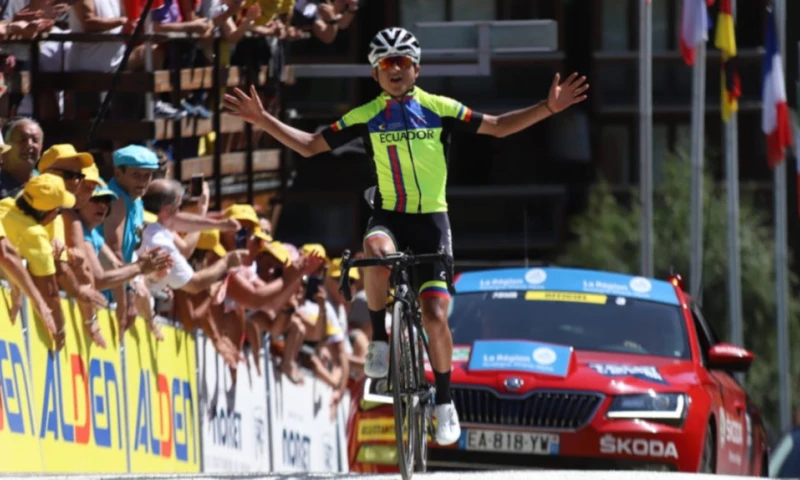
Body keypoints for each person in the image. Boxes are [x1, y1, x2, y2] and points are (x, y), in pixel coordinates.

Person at [223, 26, 589, 445]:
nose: (394, 69)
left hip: (432, 223)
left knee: (435, 316)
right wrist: (262, 119)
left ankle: (445, 400)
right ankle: (380, 339)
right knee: (374, 250)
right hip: (390, 217)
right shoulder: (366, 115)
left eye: (402, 62)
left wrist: (547, 107)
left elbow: (500, 126)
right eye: (385, 63)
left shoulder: (439, 107)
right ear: (375, 73)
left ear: (416, 68)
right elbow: (309, 145)